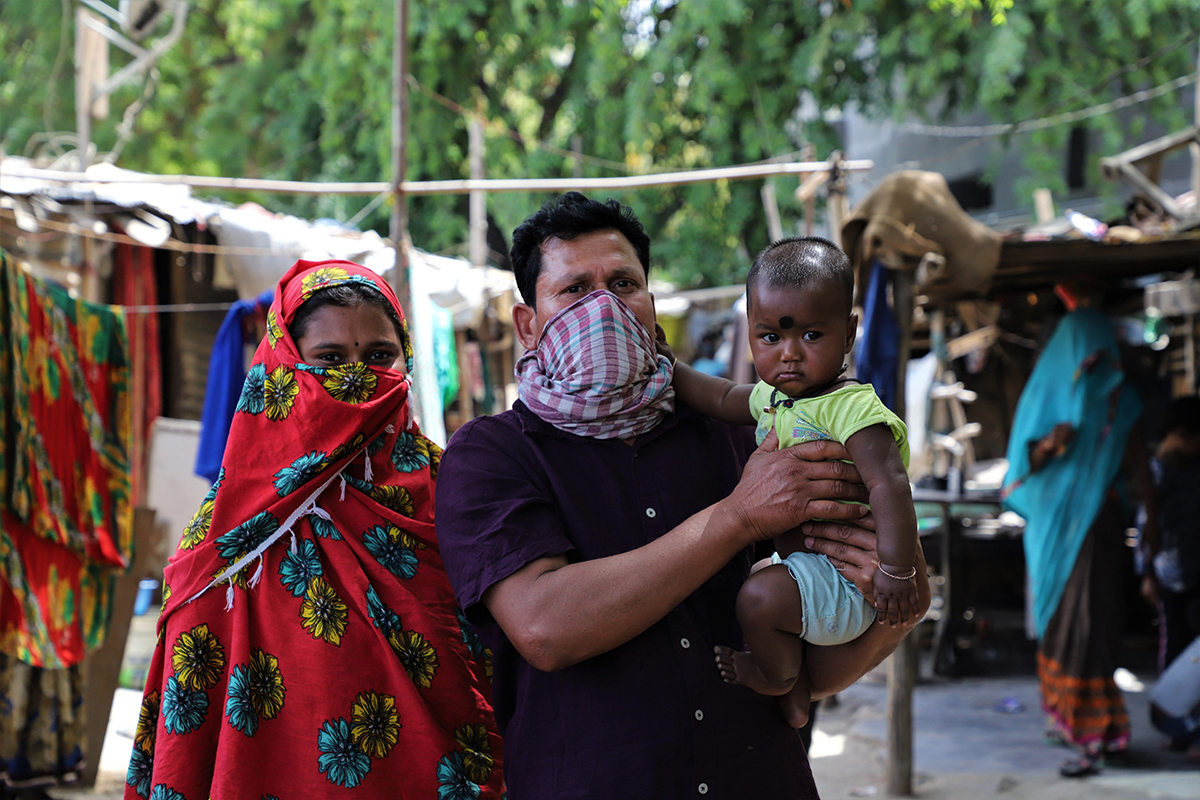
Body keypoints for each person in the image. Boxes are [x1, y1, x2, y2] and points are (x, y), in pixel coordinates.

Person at [435, 192, 929, 799]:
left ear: (651, 304)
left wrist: (896, 605)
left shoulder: (746, 434)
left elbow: (803, 663)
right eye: (574, 290)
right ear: (527, 325)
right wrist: (737, 517)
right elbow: (544, 627)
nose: (604, 307)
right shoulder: (490, 455)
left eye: (623, 284)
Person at [125, 260, 504, 799]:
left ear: (406, 357)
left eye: (379, 356)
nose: (356, 376)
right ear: (286, 364)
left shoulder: (451, 485)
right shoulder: (232, 523)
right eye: (329, 359)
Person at [665, 237, 918, 719]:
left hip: (848, 580)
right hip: (807, 571)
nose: (789, 354)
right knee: (759, 585)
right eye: (770, 338)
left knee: (757, 599)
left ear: (848, 333)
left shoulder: (850, 408)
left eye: (811, 335)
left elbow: (890, 485)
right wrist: (671, 368)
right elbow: (722, 397)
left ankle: (776, 679)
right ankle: (797, 695)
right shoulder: (776, 398)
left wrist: (896, 572)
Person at [1001, 296, 1155, 779]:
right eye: (1085, 355)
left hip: (1096, 526)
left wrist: (1153, 523)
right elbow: (1021, 465)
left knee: (1092, 624)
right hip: (1051, 528)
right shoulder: (1044, 396)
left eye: (1100, 354)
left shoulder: (1121, 401)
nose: (1094, 365)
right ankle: (1064, 716)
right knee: (1057, 621)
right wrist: (1050, 444)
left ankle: (1100, 728)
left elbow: (1139, 466)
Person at [1143, 395, 1200, 673]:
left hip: (1194, 568)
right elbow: (1146, 528)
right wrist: (1147, 574)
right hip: (1168, 574)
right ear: (1181, 434)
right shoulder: (1155, 473)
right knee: (1175, 641)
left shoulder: (1192, 470)